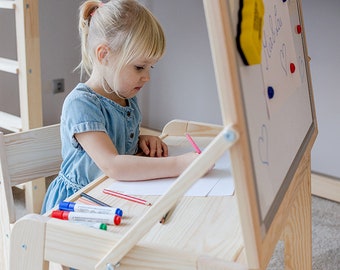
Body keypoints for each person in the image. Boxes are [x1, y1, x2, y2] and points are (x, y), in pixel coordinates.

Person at [41, 0, 198, 213]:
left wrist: (140, 141)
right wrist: (180, 165)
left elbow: (116, 143)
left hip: (113, 195)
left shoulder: (125, 96)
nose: (147, 77)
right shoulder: (81, 104)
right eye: (139, 67)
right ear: (104, 54)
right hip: (77, 205)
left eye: (150, 67)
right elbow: (112, 164)